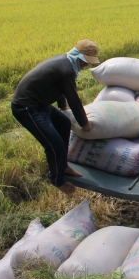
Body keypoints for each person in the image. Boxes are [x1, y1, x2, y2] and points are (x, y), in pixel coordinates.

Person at [11, 40, 100, 195]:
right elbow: (74, 99)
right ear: (78, 55)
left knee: (64, 123)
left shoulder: (65, 63)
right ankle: (57, 180)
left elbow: (59, 87)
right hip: (26, 107)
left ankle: (63, 165)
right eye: (85, 61)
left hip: (40, 104)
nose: (86, 65)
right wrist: (85, 123)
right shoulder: (66, 70)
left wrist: (62, 107)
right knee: (54, 144)